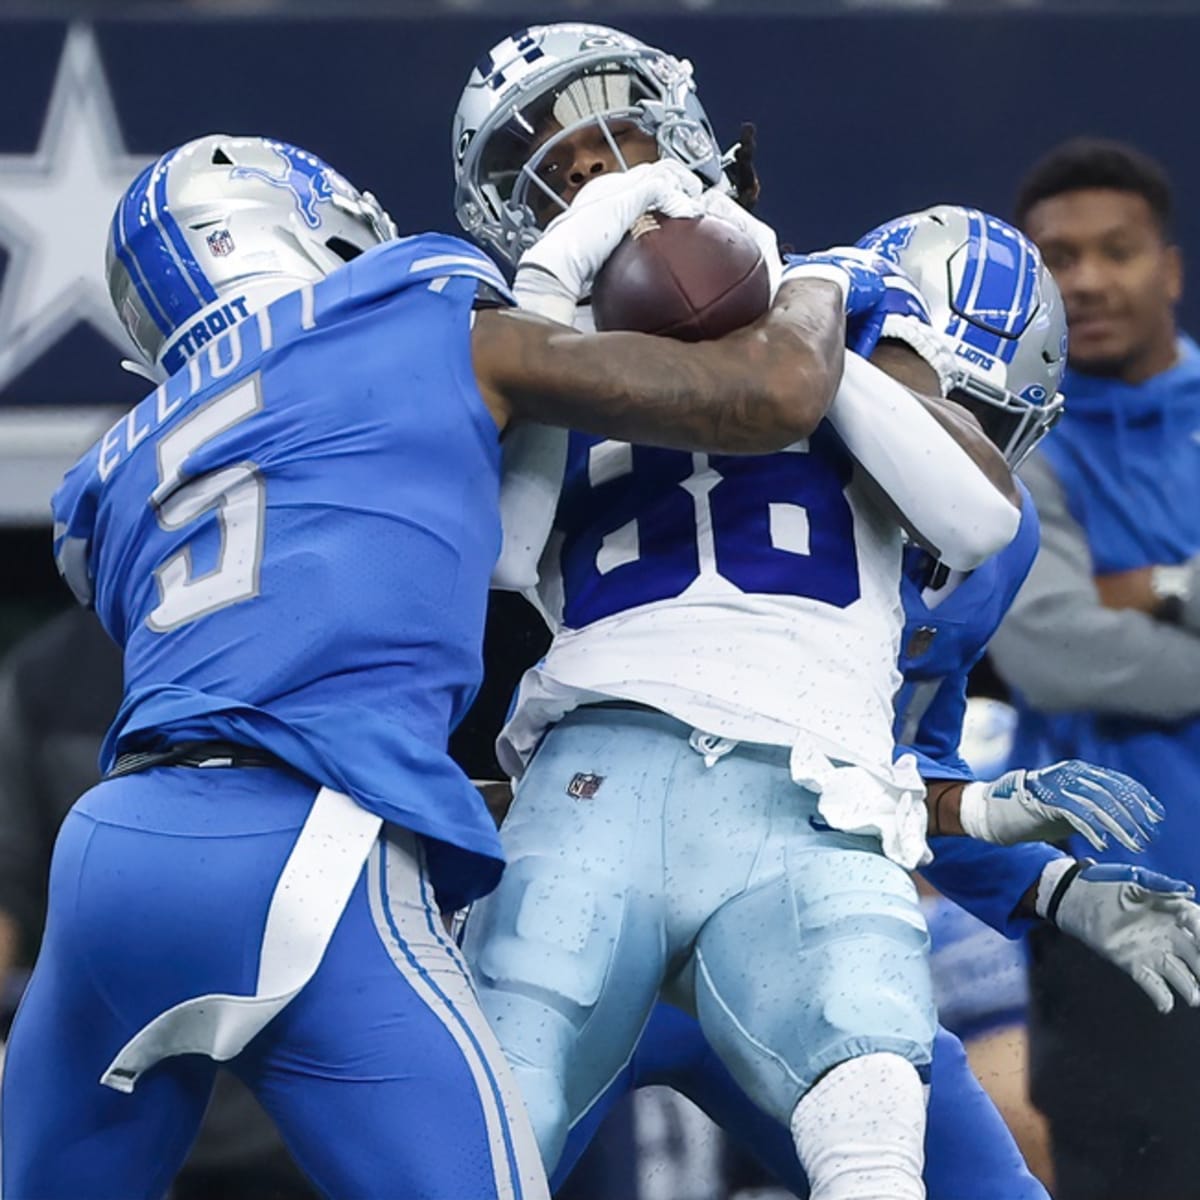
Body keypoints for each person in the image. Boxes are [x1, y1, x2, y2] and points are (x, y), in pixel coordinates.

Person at [0, 132, 870, 1200]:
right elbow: (772, 394)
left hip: (112, 854)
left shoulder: (111, 472)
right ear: (310, 222)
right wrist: (820, 274)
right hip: (308, 846)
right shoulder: (411, 302)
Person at [450, 28, 1084, 1200]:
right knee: (471, 1148)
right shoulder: (518, 340)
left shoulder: (838, 283)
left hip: (793, 820)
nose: (591, 174)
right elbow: (489, 560)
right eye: (551, 165)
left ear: (682, 137)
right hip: (587, 811)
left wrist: (796, 304)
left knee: (928, 1156)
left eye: (611, 138)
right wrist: (549, 314)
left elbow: (974, 519)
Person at [543, 204, 1200, 1200]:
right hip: (586, 925)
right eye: (923, 404)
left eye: (985, 427)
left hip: (798, 948)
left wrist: (1052, 887)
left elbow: (904, 774)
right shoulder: (701, 459)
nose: (950, 452)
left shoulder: (990, 544)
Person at [989, 136, 1200, 1200]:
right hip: (1120, 920)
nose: (1087, 280)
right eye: (1057, 258)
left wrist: (1142, 587)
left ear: (1168, 266)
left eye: (1114, 251)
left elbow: (1099, 633)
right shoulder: (1012, 450)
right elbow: (1057, 656)